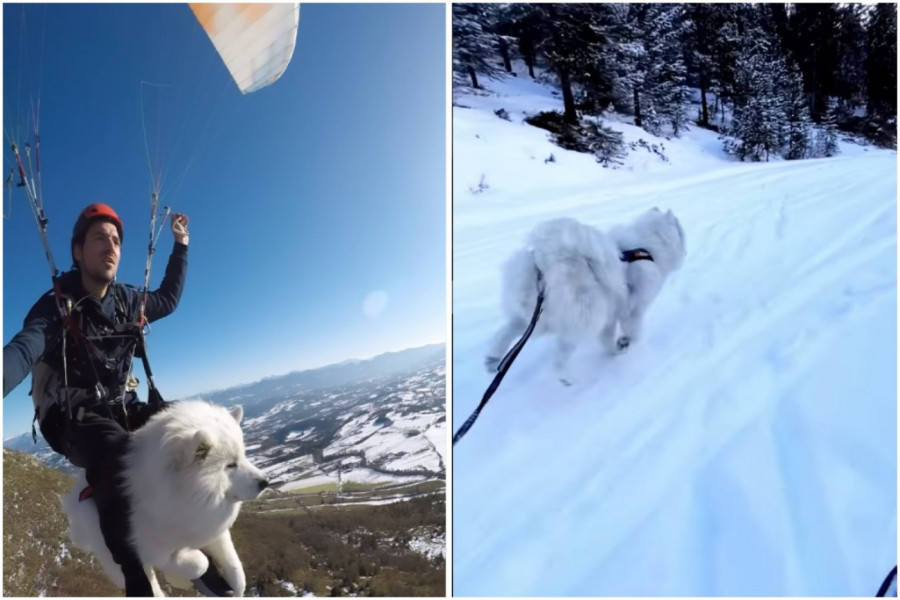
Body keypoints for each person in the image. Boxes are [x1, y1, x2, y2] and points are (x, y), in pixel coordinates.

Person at [3, 202, 198, 596]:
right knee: (118, 450)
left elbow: (169, 299)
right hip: (70, 416)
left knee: (187, 424)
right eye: (99, 238)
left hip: (118, 404)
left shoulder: (127, 301)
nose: (110, 247)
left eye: (115, 240)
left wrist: (181, 244)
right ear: (78, 251)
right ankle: (134, 574)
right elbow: (24, 348)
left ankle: (195, 527)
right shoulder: (55, 306)